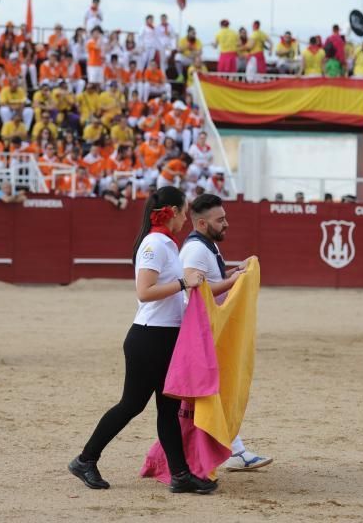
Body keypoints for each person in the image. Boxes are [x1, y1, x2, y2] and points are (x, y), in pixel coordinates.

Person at [69, 187, 217, 494]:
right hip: (149, 337)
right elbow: (144, 291)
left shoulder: (166, 244)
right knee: (132, 404)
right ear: (173, 212)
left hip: (164, 336)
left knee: (167, 408)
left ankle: (179, 474)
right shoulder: (155, 244)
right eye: (184, 211)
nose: (186, 217)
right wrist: (182, 283)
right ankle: (85, 459)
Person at [180, 194, 272, 471]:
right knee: (212, 392)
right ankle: (234, 450)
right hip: (200, 332)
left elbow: (209, 284)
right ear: (202, 223)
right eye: (220, 220)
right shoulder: (196, 250)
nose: (226, 224)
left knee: (206, 395)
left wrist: (231, 275)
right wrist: (234, 281)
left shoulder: (205, 246)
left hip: (207, 329)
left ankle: (224, 450)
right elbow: (192, 289)